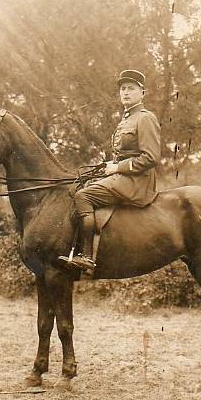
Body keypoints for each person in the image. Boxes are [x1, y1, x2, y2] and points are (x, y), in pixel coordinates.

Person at [62, 69, 161, 272]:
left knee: (83, 197)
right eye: (123, 88)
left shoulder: (145, 118)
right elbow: (124, 153)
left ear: (143, 92)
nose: (125, 92)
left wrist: (117, 167)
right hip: (122, 176)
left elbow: (151, 157)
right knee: (78, 186)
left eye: (131, 88)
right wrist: (108, 166)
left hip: (137, 181)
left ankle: (87, 257)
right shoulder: (126, 119)